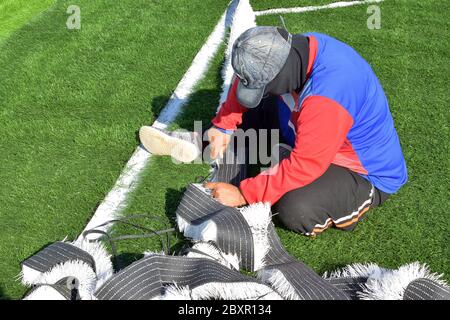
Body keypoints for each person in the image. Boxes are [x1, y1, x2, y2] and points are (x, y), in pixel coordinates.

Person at [203, 26, 407, 236]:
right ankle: (282, 151)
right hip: (314, 134)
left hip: (359, 170)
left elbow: (306, 163)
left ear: (283, 74)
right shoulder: (288, 51)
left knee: (295, 209)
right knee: (253, 108)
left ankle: (357, 195)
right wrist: (224, 125)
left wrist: (243, 194)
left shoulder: (330, 94)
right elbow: (251, 70)